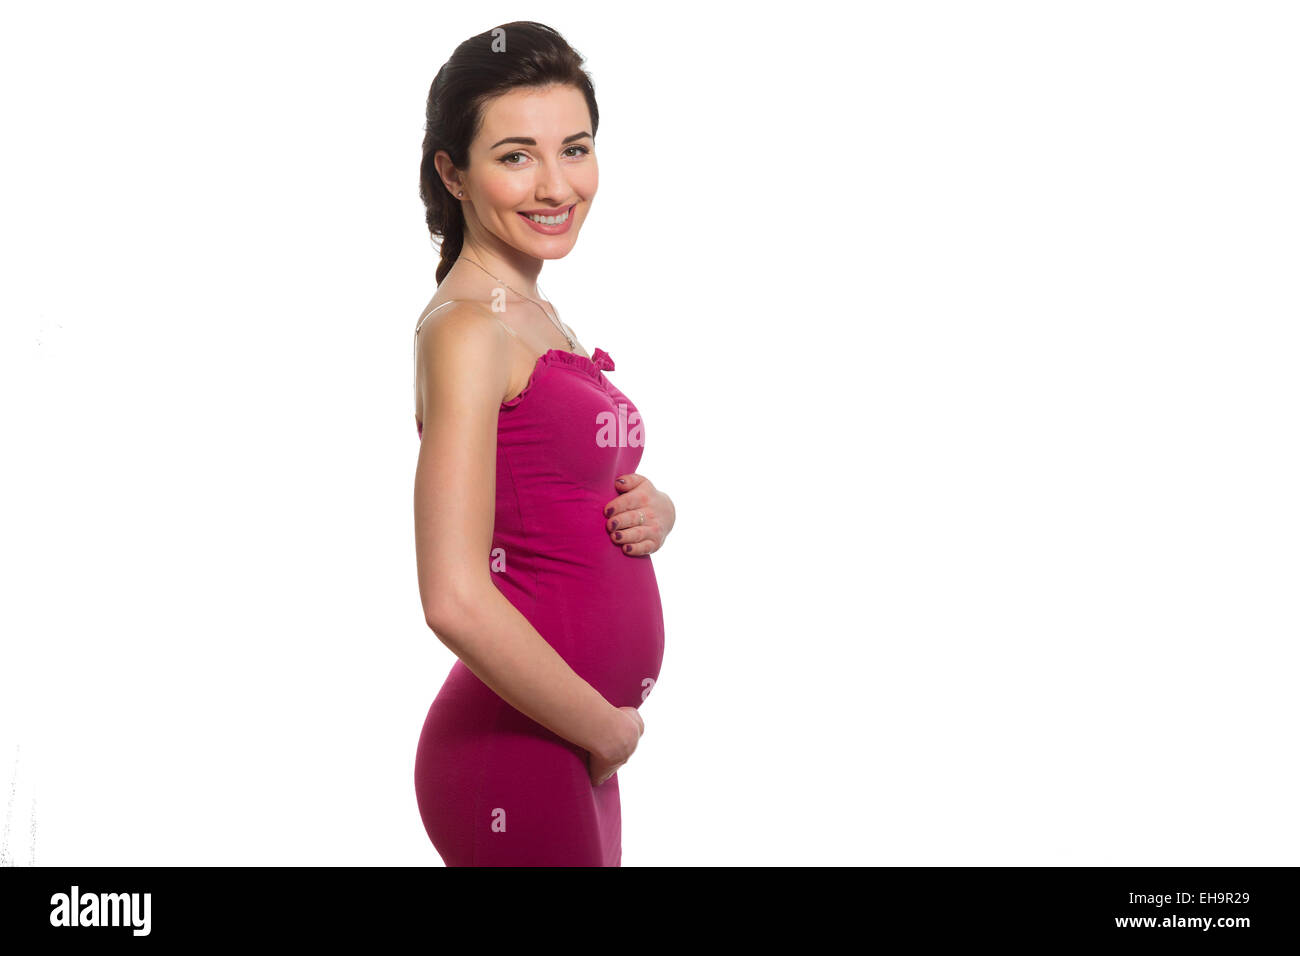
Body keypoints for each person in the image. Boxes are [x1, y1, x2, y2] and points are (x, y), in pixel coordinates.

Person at [411, 21, 676, 866]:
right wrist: (603, 726)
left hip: (571, 738)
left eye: (576, 148)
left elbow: (551, 490)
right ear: (453, 171)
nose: (556, 184)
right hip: (519, 746)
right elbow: (453, 596)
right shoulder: (465, 331)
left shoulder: (532, 314)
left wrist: (652, 509)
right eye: (517, 155)